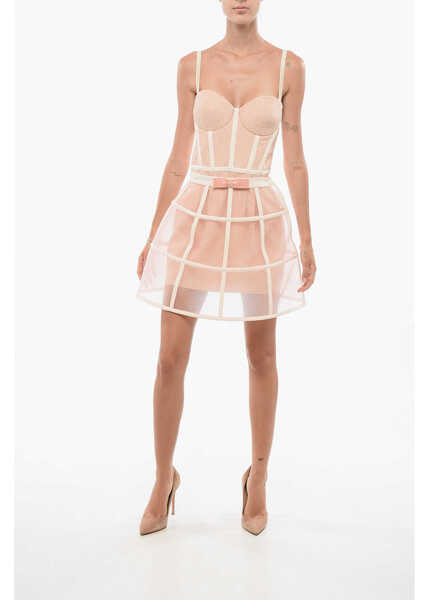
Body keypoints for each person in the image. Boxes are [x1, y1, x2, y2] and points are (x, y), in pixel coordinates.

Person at [136, 0, 316, 536]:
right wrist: (153, 235)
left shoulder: (288, 67)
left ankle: (258, 478)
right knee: (170, 356)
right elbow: (177, 158)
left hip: (259, 221)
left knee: (262, 356)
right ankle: (162, 478)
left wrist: (307, 239)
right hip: (198, 217)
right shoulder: (191, 65)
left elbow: (295, 159)